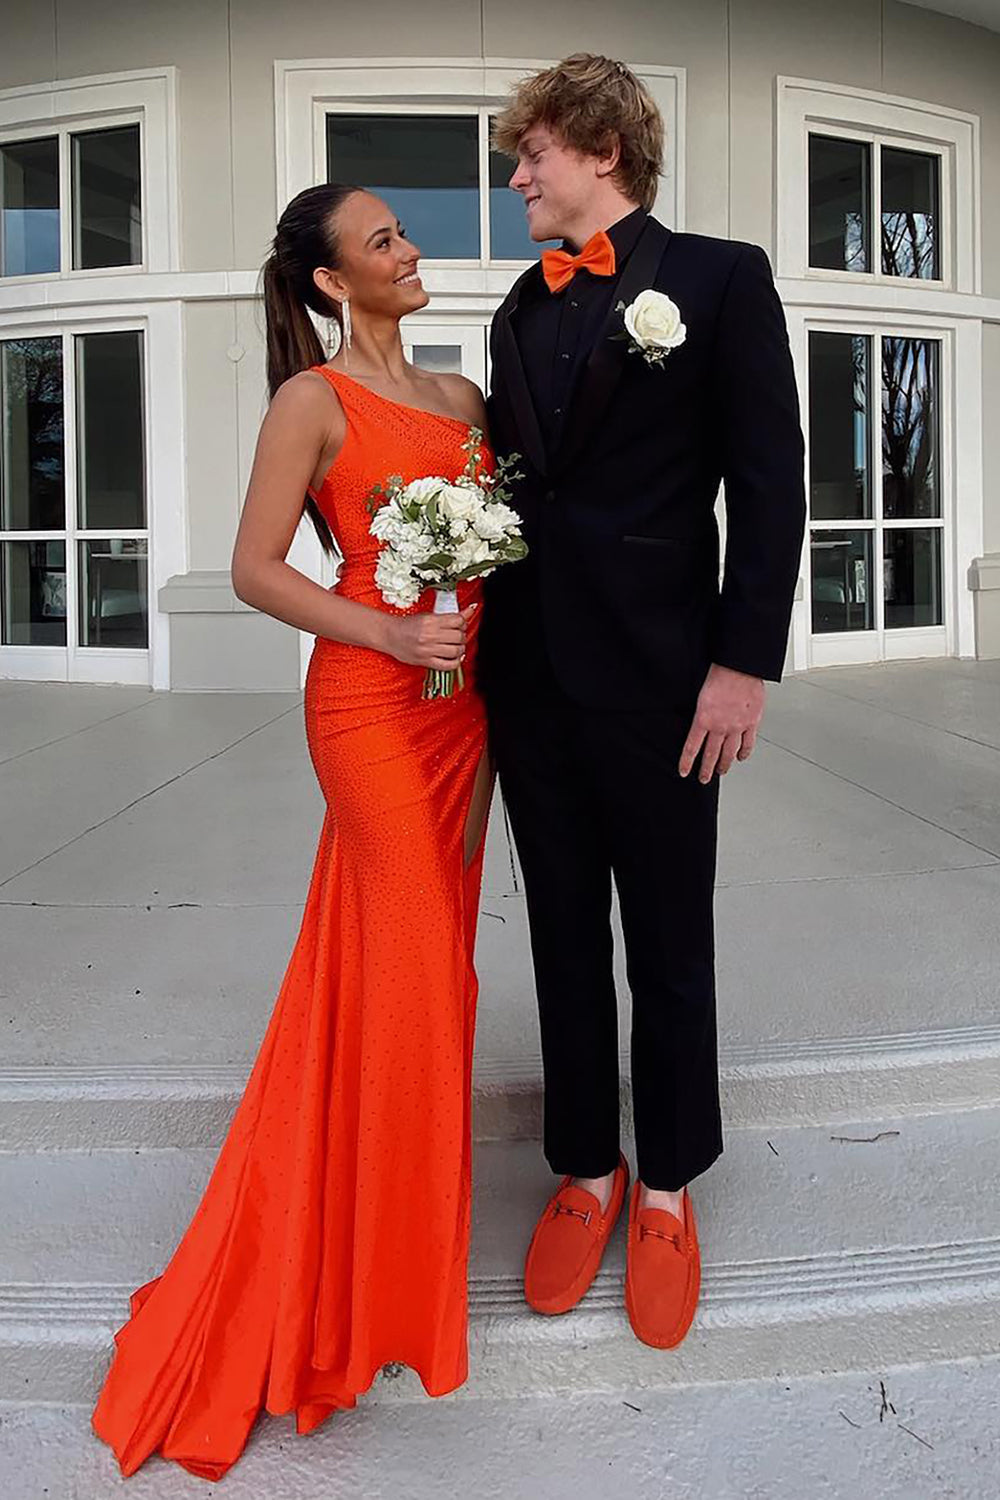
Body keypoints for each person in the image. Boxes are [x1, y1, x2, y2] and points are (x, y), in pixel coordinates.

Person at [91, 183, 494, 1480]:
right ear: (332, 281)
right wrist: (389, 630)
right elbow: (256, 568)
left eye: (403, 232)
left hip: (463, 715)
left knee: (418, 978)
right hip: (372, 707)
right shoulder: (310, 403)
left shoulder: (465, 399)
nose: (410, 249)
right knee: (416, 974)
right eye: (383, 241)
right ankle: (349, 1292)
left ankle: (379, 1268)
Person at [480, 55, 806, 1349]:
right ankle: (585, 1168)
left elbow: (770, 484)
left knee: (668, 939)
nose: (516, 178)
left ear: (603, 151)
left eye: (532, 156)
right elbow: (520, 488)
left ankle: (666, 1183)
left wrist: (744, 662)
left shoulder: (722, 280)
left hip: (670, 680)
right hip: (531, 680)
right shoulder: (518, 305)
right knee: (561, 934)